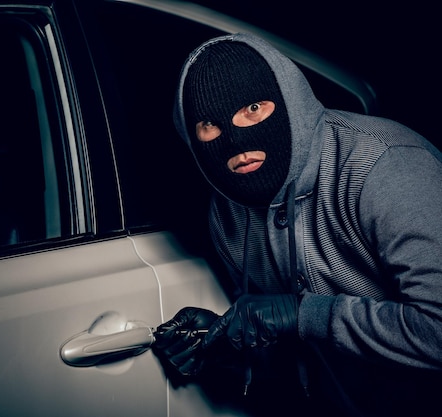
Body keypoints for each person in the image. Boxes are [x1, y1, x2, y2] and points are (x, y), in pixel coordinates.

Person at [152, 32, 442, 417]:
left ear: (289, 102)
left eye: (253, 107)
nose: (236, 140)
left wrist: (303, 312)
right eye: (209, 124)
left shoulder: (385, 166)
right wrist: (228, 345)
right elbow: (301, 358)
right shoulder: (227, 211)